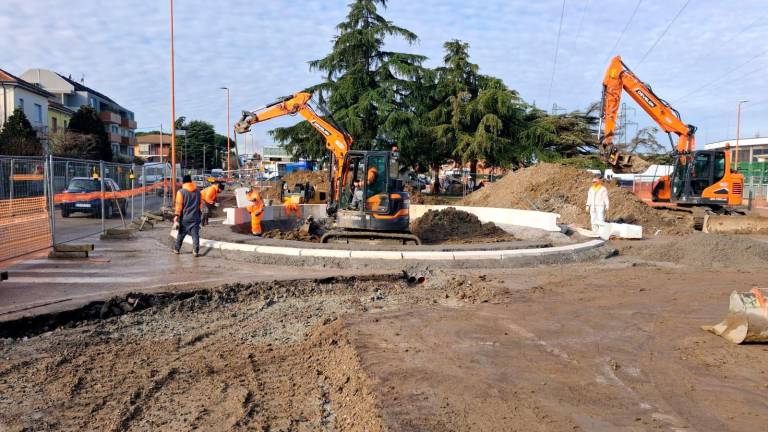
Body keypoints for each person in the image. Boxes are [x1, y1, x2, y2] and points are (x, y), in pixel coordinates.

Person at [173, 174, 202, 256]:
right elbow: (200, 205)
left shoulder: (181, 192)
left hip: (185, 218)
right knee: (195, 235)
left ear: (183, 182)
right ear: (191, 182)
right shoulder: (198, 191)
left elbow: (179, 205)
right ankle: (195, 251)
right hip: (195, 217)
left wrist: (176, 215)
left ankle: (177, 249)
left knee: (181, 234)